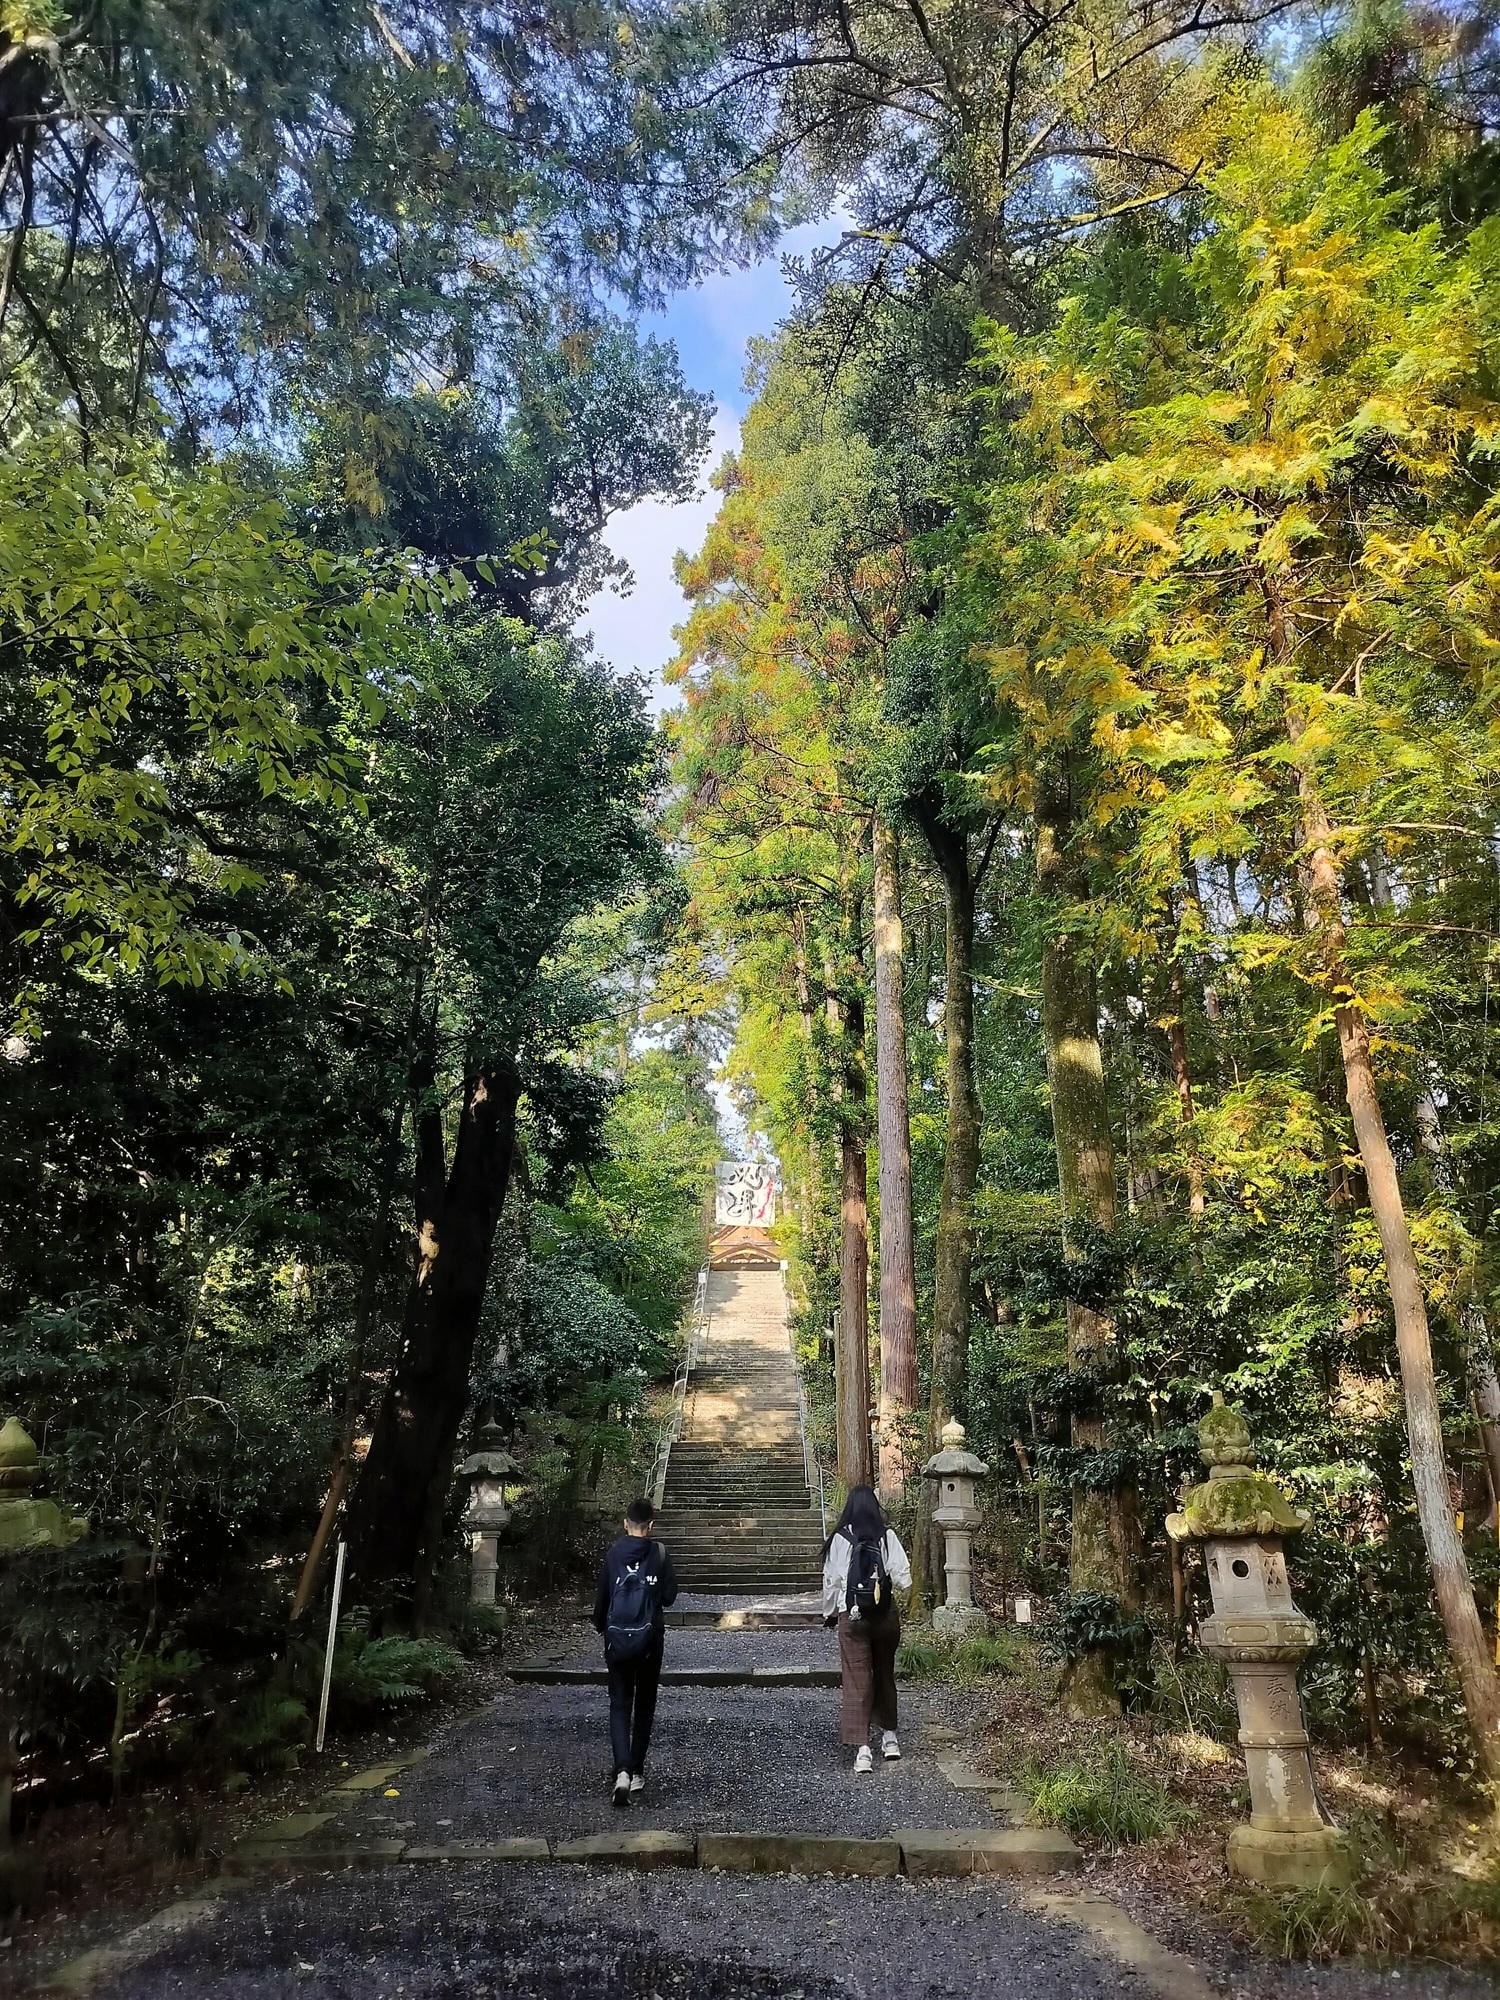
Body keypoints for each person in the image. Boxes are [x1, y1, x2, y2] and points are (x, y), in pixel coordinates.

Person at [592, 1495, 678, 1806]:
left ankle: (622, 1772)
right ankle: (638, 1771)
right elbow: (669, 1597)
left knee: (618, 1704)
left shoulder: (614, 1554)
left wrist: (602, 1626)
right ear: (651, 1525)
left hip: (617, 1639)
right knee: (644, 1705)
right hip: (649, 1639)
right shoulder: (659, 1553)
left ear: (626, 1523)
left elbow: (603, 1599)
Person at [822, 1484, 911, 1772]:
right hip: (885, 1617)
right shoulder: (887, 1536)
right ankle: (890, 1739)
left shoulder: (840, 1538)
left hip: (853, 1616)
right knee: (884, 1673)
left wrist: (830, 1613)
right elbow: (904, 1579)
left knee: (857, 1678)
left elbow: (832, 1581)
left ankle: (863, 1750)